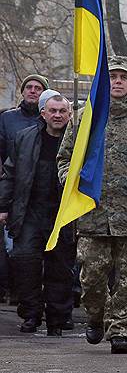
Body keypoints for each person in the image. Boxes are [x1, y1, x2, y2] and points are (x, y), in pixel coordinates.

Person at [59, 55, 127, 354]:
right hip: (93, 214)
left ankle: (121, 330)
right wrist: (71, 184)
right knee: (92, 278)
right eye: (112, 77)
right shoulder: (85, 118)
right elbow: (65, 159)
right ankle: (97, 316)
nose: (118, 82)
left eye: (123, 77)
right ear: (103, 81)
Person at [0, 91, 73, 335]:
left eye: (62, 111)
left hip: (63, 215)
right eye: (53, 111)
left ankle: (57, 319)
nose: (57, 115)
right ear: (43, 113)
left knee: (60, 269)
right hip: (30, 211)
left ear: (69, 115)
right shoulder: (25, 138)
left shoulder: (76, 142)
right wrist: (3, 206)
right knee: (25, 262)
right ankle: (30, 314)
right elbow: (10, 173)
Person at [0, 74, 48, 305]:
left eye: (38, 88)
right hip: (17, 196)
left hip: (46, 200)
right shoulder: (7, 120)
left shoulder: (53, 122)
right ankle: (20, 295)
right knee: (17, 251)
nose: (32, 91)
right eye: (28, 87)